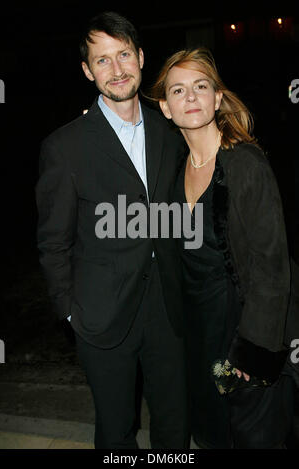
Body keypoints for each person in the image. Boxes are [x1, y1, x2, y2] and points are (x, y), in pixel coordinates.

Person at [35, 11, 188, 449]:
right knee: (117, 429)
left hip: (168, 309)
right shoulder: (64, 147)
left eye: (123, 54)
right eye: (102, 60)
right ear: (87, 71)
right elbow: (52, 243)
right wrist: (70, 313)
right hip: (101, 315)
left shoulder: (170, 129)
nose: (116, 69)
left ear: (140, 57)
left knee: (174, 426)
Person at [150, 47, 294, 449]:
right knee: (211, 435)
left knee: (252, 436)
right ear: (165, 108)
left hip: (244, 333)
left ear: (217, 97)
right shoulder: (175, 172)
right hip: (198, 337)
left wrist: (254, 350)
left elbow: (272, 266)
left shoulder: (246, 164)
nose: (190, 98)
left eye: (200, 86)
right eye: (178, 91)